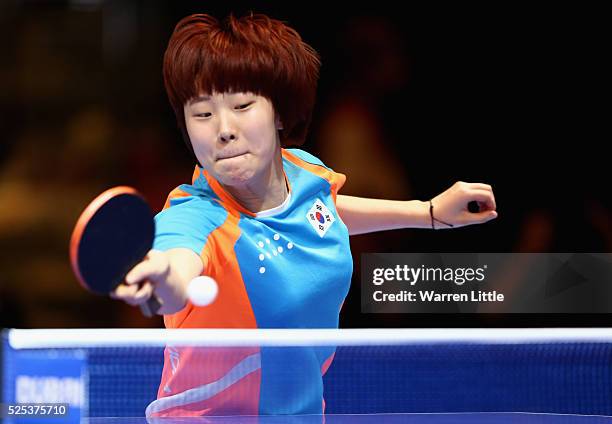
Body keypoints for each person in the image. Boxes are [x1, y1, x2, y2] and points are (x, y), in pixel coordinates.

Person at [111, 13, 497, 417]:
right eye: (203, 114)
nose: (223, 129)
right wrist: (162, 278)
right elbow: (178, 264)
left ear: (279, 113)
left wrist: (429, 212)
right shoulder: (194, 219)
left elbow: (324, 212)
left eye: (242, 105)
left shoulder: (303, 172)